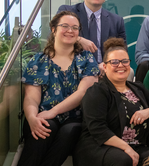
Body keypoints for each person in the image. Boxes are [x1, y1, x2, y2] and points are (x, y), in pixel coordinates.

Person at [17, 11, 99, 166]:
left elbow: (82, 93)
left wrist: (53, 111)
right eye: (65, 26)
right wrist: (32, 117)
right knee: (44, 126)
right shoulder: (38, 61)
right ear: (53, 29)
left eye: (75, 28)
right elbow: (31, 98)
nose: (70, 30)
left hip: (76, 117)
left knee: (70, 131)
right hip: (43, 115)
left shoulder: (87, 59)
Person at [73, 38, 149, 166]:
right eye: (115, 62)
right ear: (105, 67)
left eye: (125, 61)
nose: (121, 65)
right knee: (123, 159)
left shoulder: (138, 88)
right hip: (100, 145)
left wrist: (148, 112)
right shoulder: (96, 91)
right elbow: (97, 129)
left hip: (137, 145)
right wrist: (126, 148)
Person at [57, 0, 126, 74]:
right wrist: (78, 39)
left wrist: (107, 65)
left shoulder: (116, 21)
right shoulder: (68, 12)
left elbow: (122, 52)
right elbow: (54, 36)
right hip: (75, 71)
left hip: (105, 72)